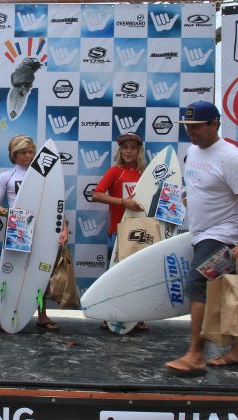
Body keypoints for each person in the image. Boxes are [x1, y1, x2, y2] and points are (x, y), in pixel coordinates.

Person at [165, 100, 238, 374]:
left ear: (214, 124)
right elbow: (198, 185)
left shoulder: (232, 157)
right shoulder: (193, 151)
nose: (191, 132)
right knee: (225, 290)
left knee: (198, 283)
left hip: (222, 235)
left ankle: (196, 355)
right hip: (201, 233)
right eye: (187, 127)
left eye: (196, 127)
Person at [0, 135, 68, 332]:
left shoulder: (45, 176)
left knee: (40, 273)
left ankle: (42, 315)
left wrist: (64, 228)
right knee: (13, 271)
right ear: (14, 155)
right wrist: (9, 213)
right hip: (19, 229)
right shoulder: (6, 176)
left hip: (43, 231)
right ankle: (5, 315)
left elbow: (57, 205)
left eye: (31, 152)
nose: (28, 155)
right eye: (23, 152)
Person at [92, 132, 148, 332]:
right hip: (117, 233)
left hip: (141, 234)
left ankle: (136, 317)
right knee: (114, 277)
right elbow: (96, 194)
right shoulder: (115, 172)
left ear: (139, 150)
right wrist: (123, 202)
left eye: (133, 147)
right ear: (120, 150)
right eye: (125, 147)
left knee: (138, 277)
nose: (128, 151)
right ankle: (108, 315)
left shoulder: (146, 174)